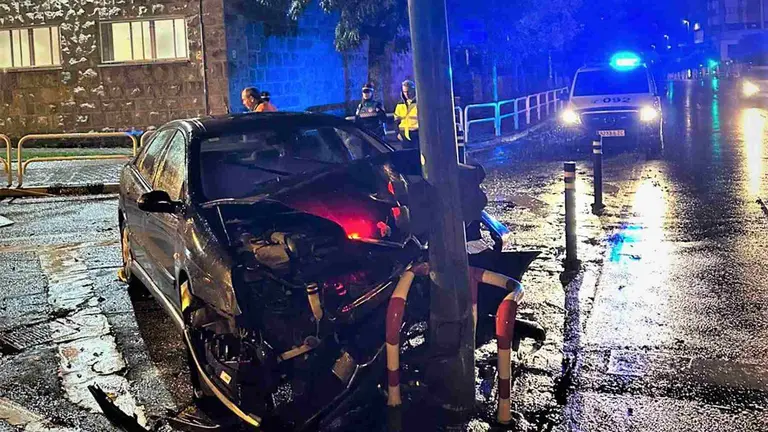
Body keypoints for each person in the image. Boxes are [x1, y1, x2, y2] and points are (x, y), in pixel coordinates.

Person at [393, 80, 419, 149]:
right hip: (403, 135)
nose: (406, 94)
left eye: (408, 91)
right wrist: (397, 133)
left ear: (413, 90)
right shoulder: (400, 104)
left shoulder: (419, 103)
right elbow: (396, 121)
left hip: (416, 134)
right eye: (404, 92)